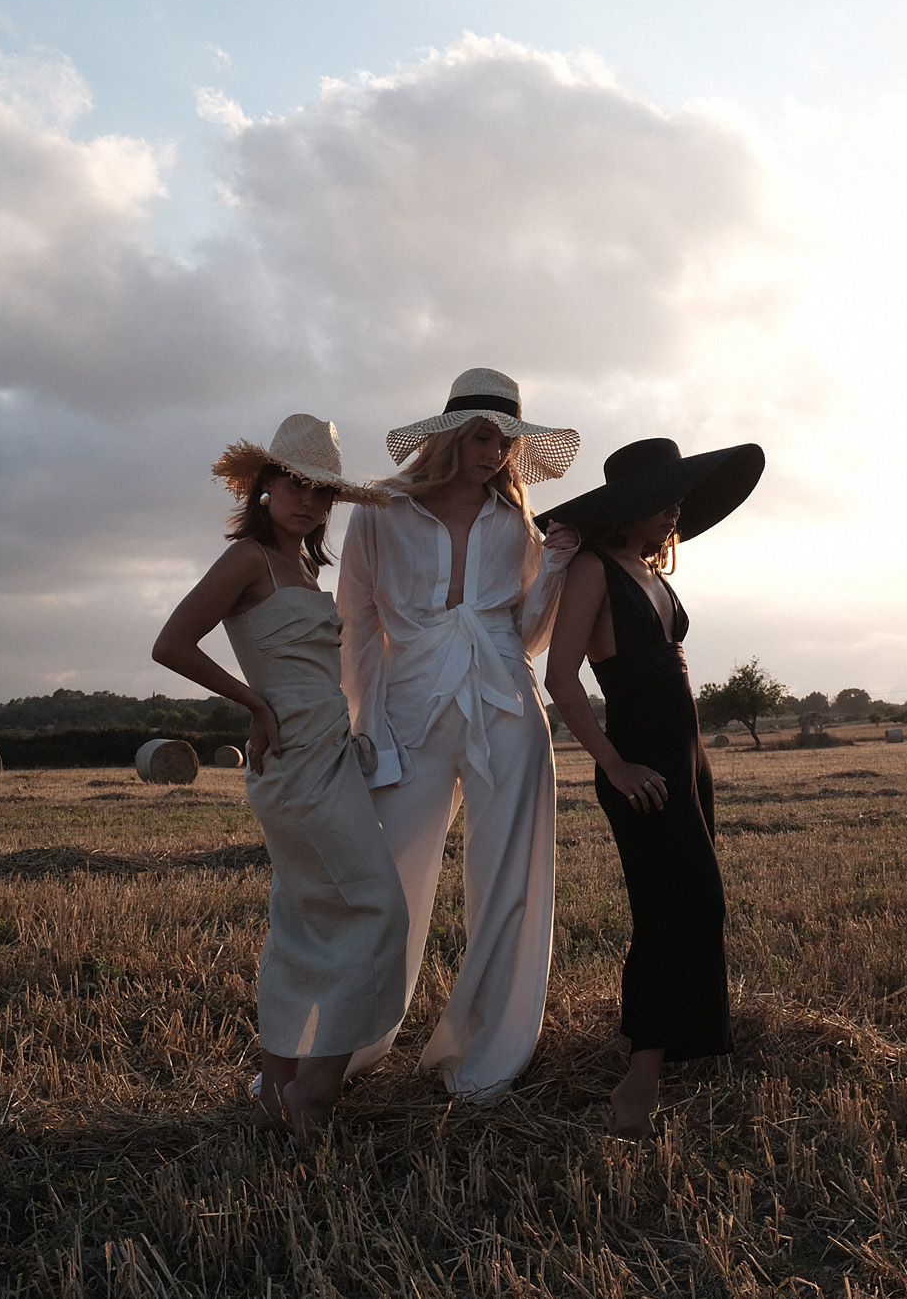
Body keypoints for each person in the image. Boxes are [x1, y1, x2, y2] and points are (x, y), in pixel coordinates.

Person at [152, 414, 409, 1141]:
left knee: (300, 918)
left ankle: (278, 1089)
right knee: (379, 909)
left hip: (330, 747)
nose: (308, 500)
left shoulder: (305, 569)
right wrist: (251, 701)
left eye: (322, 491)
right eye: (294, 484)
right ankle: (317, 1089)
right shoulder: (249, 559)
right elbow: (170, 642)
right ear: (264, 486)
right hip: (292, 758)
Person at [336, 368, 580, 1102]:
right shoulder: (381, 512)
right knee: (387, 880)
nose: (496, 450)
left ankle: (485, 1057)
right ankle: (350, 1043)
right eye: (481, 435)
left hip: (506, 702)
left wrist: (557, 569)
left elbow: (527, 634)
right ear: (446, 437)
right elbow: (355, 625)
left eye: (507, 439)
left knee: (510, 881)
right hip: (408, 709)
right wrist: (364, 720)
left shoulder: (520, 526)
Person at [541, 436, 765, 1138]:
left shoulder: (649, 571)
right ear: (627, 506)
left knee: (677, 908)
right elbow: (561, 678)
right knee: (688, 908)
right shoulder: (591, 571)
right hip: (639, 768)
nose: (675, 510)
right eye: (663, 499)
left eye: (679, 500)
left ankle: (648, 1043)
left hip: (685, 763)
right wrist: (613, 765)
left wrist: (695, 761)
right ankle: (636, 1087)